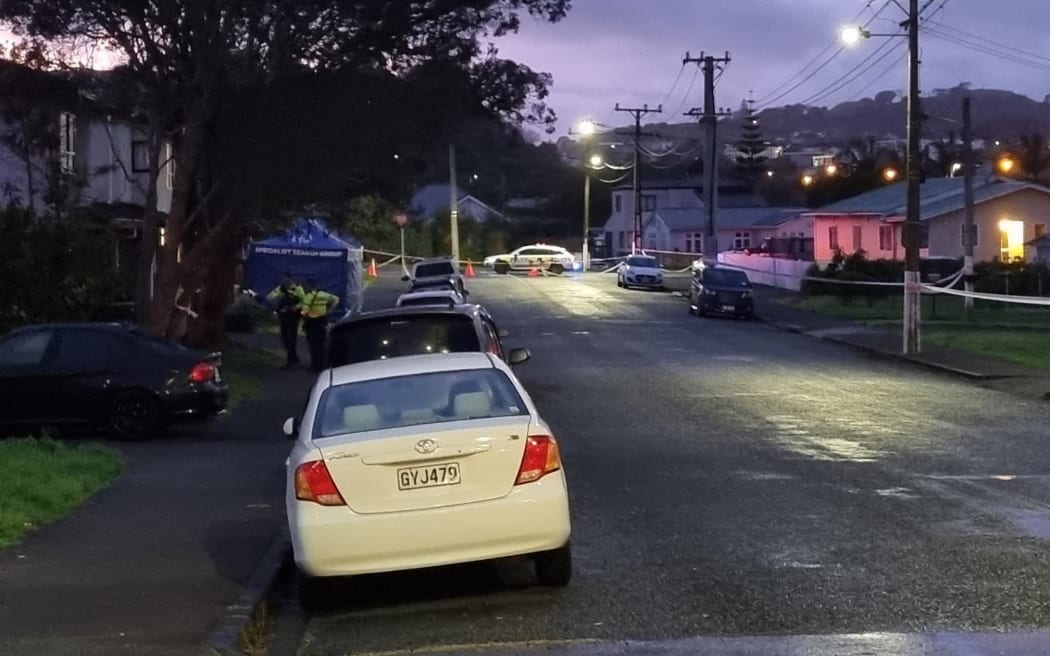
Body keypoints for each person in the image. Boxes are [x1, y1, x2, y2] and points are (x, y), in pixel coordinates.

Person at [300, 278, 340, 372]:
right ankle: (323, 365)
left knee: (313, 346)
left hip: (311, 323)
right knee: (322, 345)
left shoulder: (308, 296)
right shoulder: (323, 294)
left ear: (309, 287)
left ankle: (315, 366)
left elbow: (304, 311)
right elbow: (336, 299)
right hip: (322, 321)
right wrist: (328, 310)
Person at [267, 272, 305, 368]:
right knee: (284, 336)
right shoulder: (281, 288)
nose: (287, 281)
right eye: (285, 279)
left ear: (292, 279)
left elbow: (304, 301)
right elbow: (271, 296)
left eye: (289, 279)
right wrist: (278, 296)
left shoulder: (298, 289)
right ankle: (292, 357)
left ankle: (292, 359)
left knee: (292, 336)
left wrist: (296, 307)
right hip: (283, 315)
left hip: (293, 316)